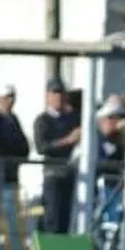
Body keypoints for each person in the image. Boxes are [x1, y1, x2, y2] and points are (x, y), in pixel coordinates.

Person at [0, 84, 30, 250]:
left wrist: (14, 153)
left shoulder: (13, 119)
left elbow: (24, 147)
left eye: (12, 96)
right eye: (7, 96)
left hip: (11, 176)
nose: (11, 100)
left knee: (12, 220)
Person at [33, 78, 80, 233]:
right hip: (53, 175)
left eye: (61, 93)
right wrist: (68, 140)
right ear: (48, 96)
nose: (58, 97)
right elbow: (42, 147)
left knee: (68, 217)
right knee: (53, 217)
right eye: (55, 93)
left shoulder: (73, 119)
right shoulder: (42, 120)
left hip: (72, 174)